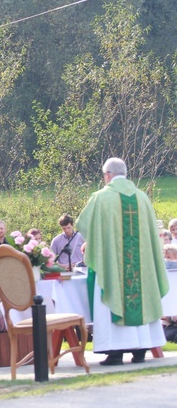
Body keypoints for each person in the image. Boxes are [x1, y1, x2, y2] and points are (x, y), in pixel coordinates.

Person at [78, 157, 169, 366]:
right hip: (141, 268)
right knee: (141, 297)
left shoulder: (101, 198)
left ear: (108, 175)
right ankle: (141, 350)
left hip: (113, 266)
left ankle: (116, 353)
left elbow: (83, 226)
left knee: (113, 297)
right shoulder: (142, 198)